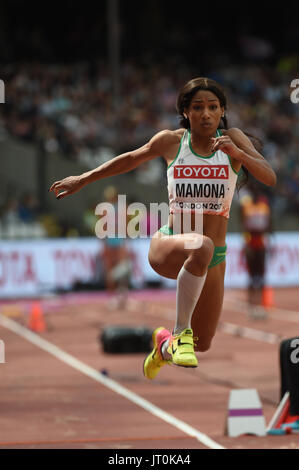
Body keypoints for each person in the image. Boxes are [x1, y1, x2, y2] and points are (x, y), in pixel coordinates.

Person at [49, 77, 277, 379]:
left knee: (203, 343)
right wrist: (83, 178)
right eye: (198, 107)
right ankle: (180, 332)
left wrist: (239, 155)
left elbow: (270, 177)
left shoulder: (232, 139)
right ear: (186, 111)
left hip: (213, 258)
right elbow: (130, 159)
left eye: (213, 107)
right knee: (201, 245)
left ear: (222, 111)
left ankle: (165, 345)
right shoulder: (172, 141)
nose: (206, 114)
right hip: (170, 244)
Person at [239, 180, 272, 319]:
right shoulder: (246, 206)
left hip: (261, 242)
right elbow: (244, 224)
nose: (256, 193)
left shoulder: (264, 206)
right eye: (254, 191)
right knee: (252, 276)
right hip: (251, 241)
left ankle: (262, 306)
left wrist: (271, 239)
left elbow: (269, 223)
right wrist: (245, 244)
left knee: (262, 275)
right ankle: (251, 306)